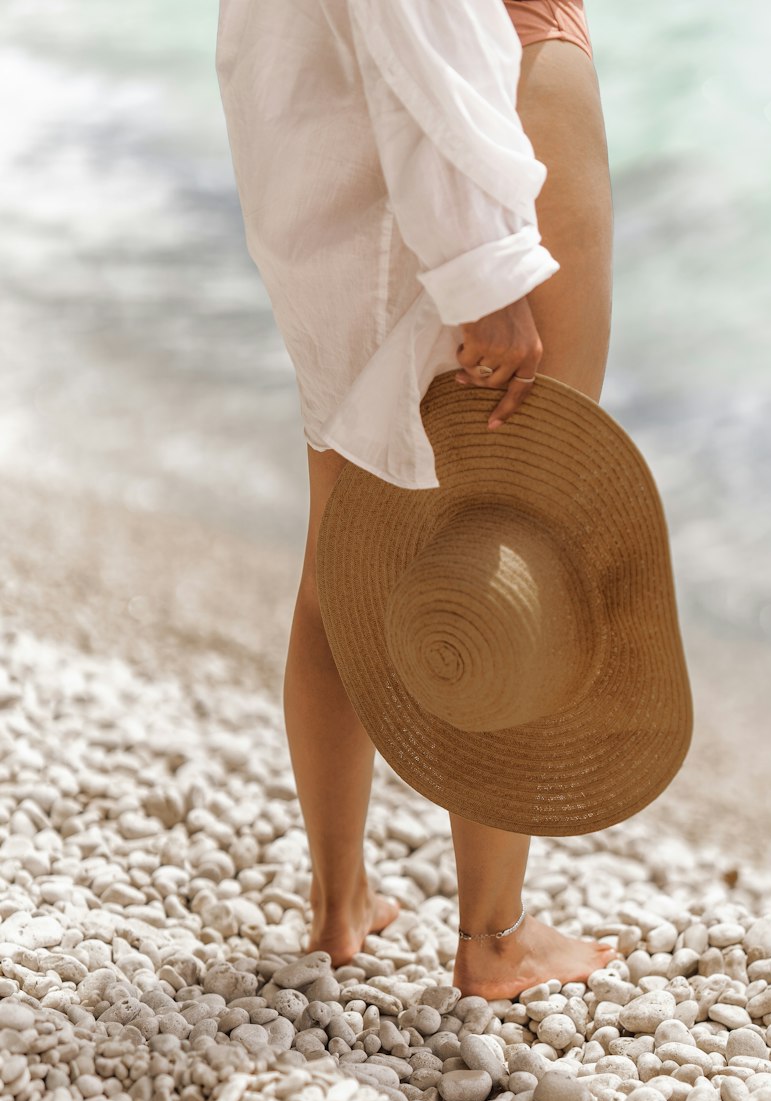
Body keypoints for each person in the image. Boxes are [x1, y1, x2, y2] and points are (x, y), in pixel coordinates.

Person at [216, 0, 616, 999]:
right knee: (520, 545)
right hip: (481, 121)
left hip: (338, 161)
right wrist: (481, 270)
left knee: (339, 553)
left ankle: (337, 900)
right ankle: (496, 939)